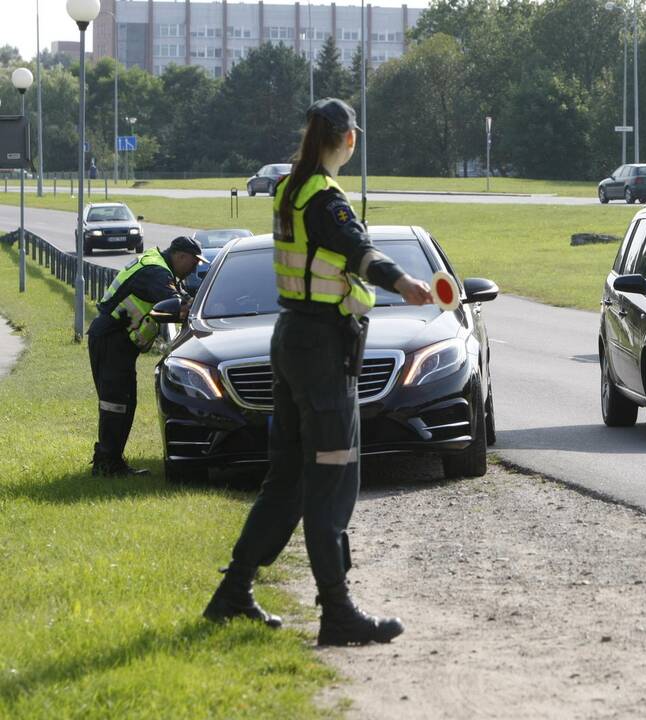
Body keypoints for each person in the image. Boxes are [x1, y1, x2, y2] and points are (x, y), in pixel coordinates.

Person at [203, 98, 434, 646]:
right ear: (348, 140)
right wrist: (404, 283)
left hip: (291, 340)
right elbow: (357, 250)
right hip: (322, 350)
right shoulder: (324, 198)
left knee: (285, 479)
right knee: (333, 476)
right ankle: (337, 612)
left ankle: (233, 592)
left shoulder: (287, 188)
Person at [89, 236, 204, 476]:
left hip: (118, 342)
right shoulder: (156, 272)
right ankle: (105, 465)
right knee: (116, 405)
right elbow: (180, 305)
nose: (195, 267)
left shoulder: (161, 268)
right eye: (194, 262)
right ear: (181, 256)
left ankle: (112, 462)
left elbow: (182, 296)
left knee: (125, 402)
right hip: (111, 340)